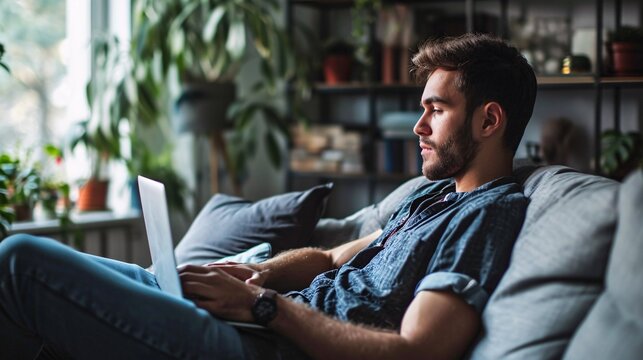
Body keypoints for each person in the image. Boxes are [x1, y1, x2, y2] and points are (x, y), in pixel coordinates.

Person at [0, 33, 537, 360]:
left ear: (490, 120)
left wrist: (260, 307)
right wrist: (254, 276)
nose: (417, 127)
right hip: (255, 319)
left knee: (21, 261)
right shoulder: (432, 197)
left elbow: (418, 352)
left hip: (263, 348)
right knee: (45, 271)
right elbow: (329, 257)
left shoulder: (489, 213)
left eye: (436, 110)